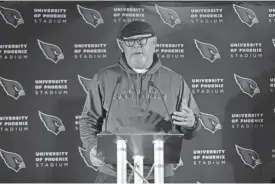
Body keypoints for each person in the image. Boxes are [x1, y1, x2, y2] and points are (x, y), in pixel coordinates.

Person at [79, 20, 201, 183]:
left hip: (159, 173)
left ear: (154, 42)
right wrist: (92, 146)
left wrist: (191, 123)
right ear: (121, 44)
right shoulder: (104, 78)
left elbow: (192, 128)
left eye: (142, 40)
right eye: (130, 41)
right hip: (113, 172)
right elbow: (88, 120)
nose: (136, 46)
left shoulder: (175, 81)